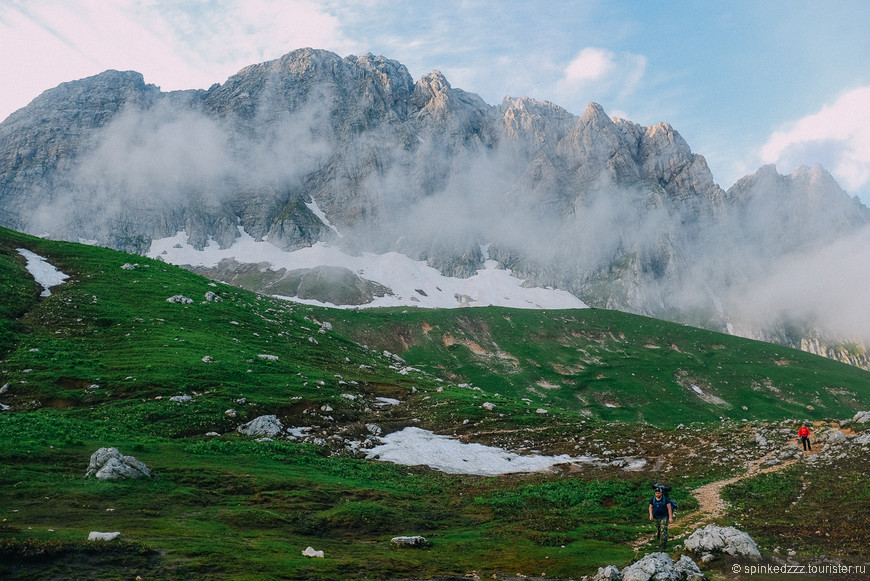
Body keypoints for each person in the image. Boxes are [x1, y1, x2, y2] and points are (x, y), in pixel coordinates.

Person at [649, 485, 673, 549]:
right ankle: (660, 540)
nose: (657, 494)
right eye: (656, 493)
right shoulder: (653, 499)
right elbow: (650, 507)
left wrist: (670, 518)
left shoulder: (666, 499)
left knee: (663, 529)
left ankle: (663, 545)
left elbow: (669, 509)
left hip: (664, 516)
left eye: (659, 493)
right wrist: (651, 515)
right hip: (656, 517)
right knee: (658, 530)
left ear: (661, 493)